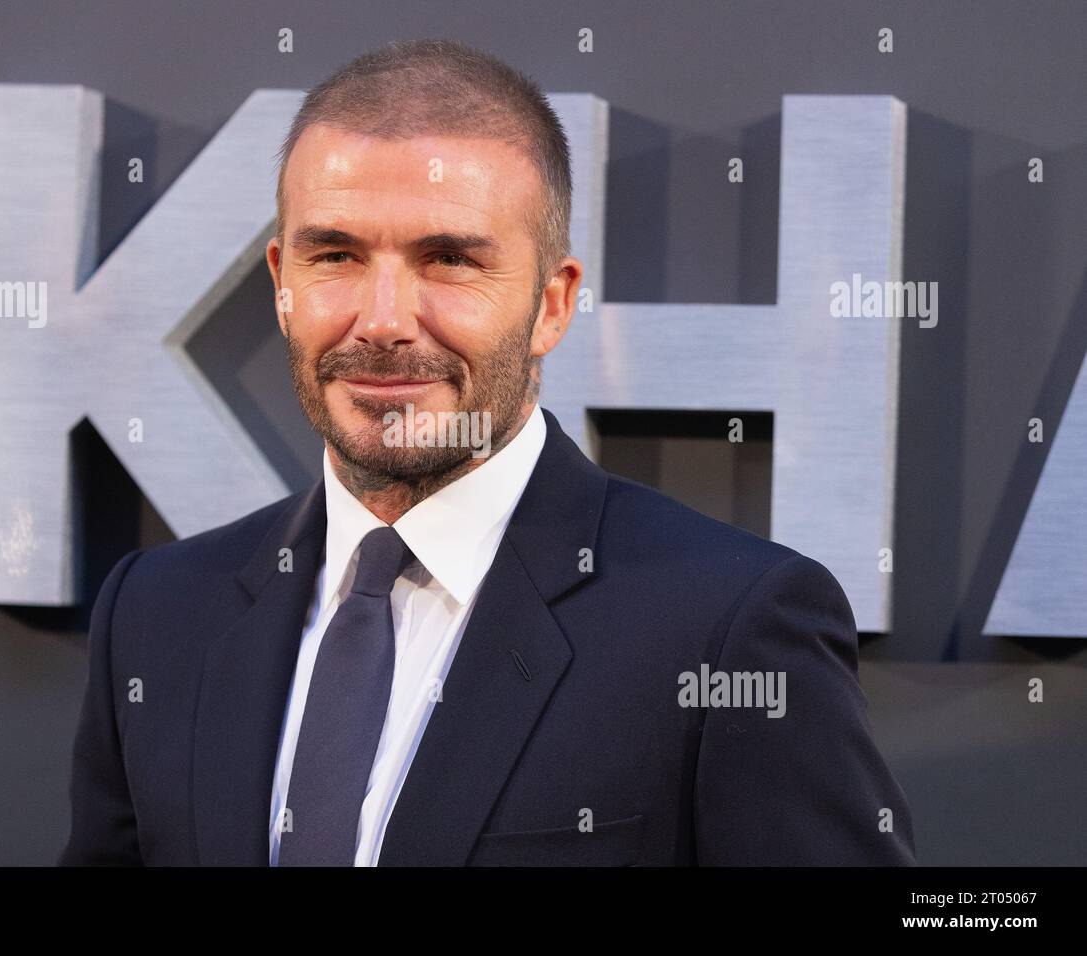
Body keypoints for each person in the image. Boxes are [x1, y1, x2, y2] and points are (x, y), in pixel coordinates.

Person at [60, 38, 914, 866]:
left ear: (551, 304)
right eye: (336, 256)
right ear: (282, 283)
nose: (385, 320)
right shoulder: (156, 614)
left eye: (448, 260)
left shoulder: (728, 627)